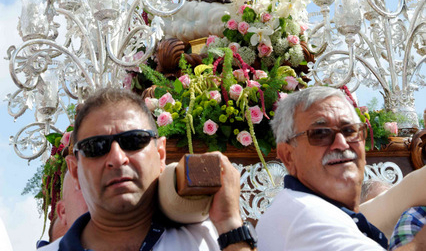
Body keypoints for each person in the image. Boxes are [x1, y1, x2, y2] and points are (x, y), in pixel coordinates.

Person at [41, 87, 256, 251]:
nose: (117, 158)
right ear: (75, 170)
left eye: (134, 140)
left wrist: (230, 225)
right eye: (96, 147)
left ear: (160, 154)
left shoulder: (211, 241)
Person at [256, 86, 426, 250]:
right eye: (320, 133)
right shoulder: (305, 214)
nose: (341, 143)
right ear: (288, 155)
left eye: (350, 130)